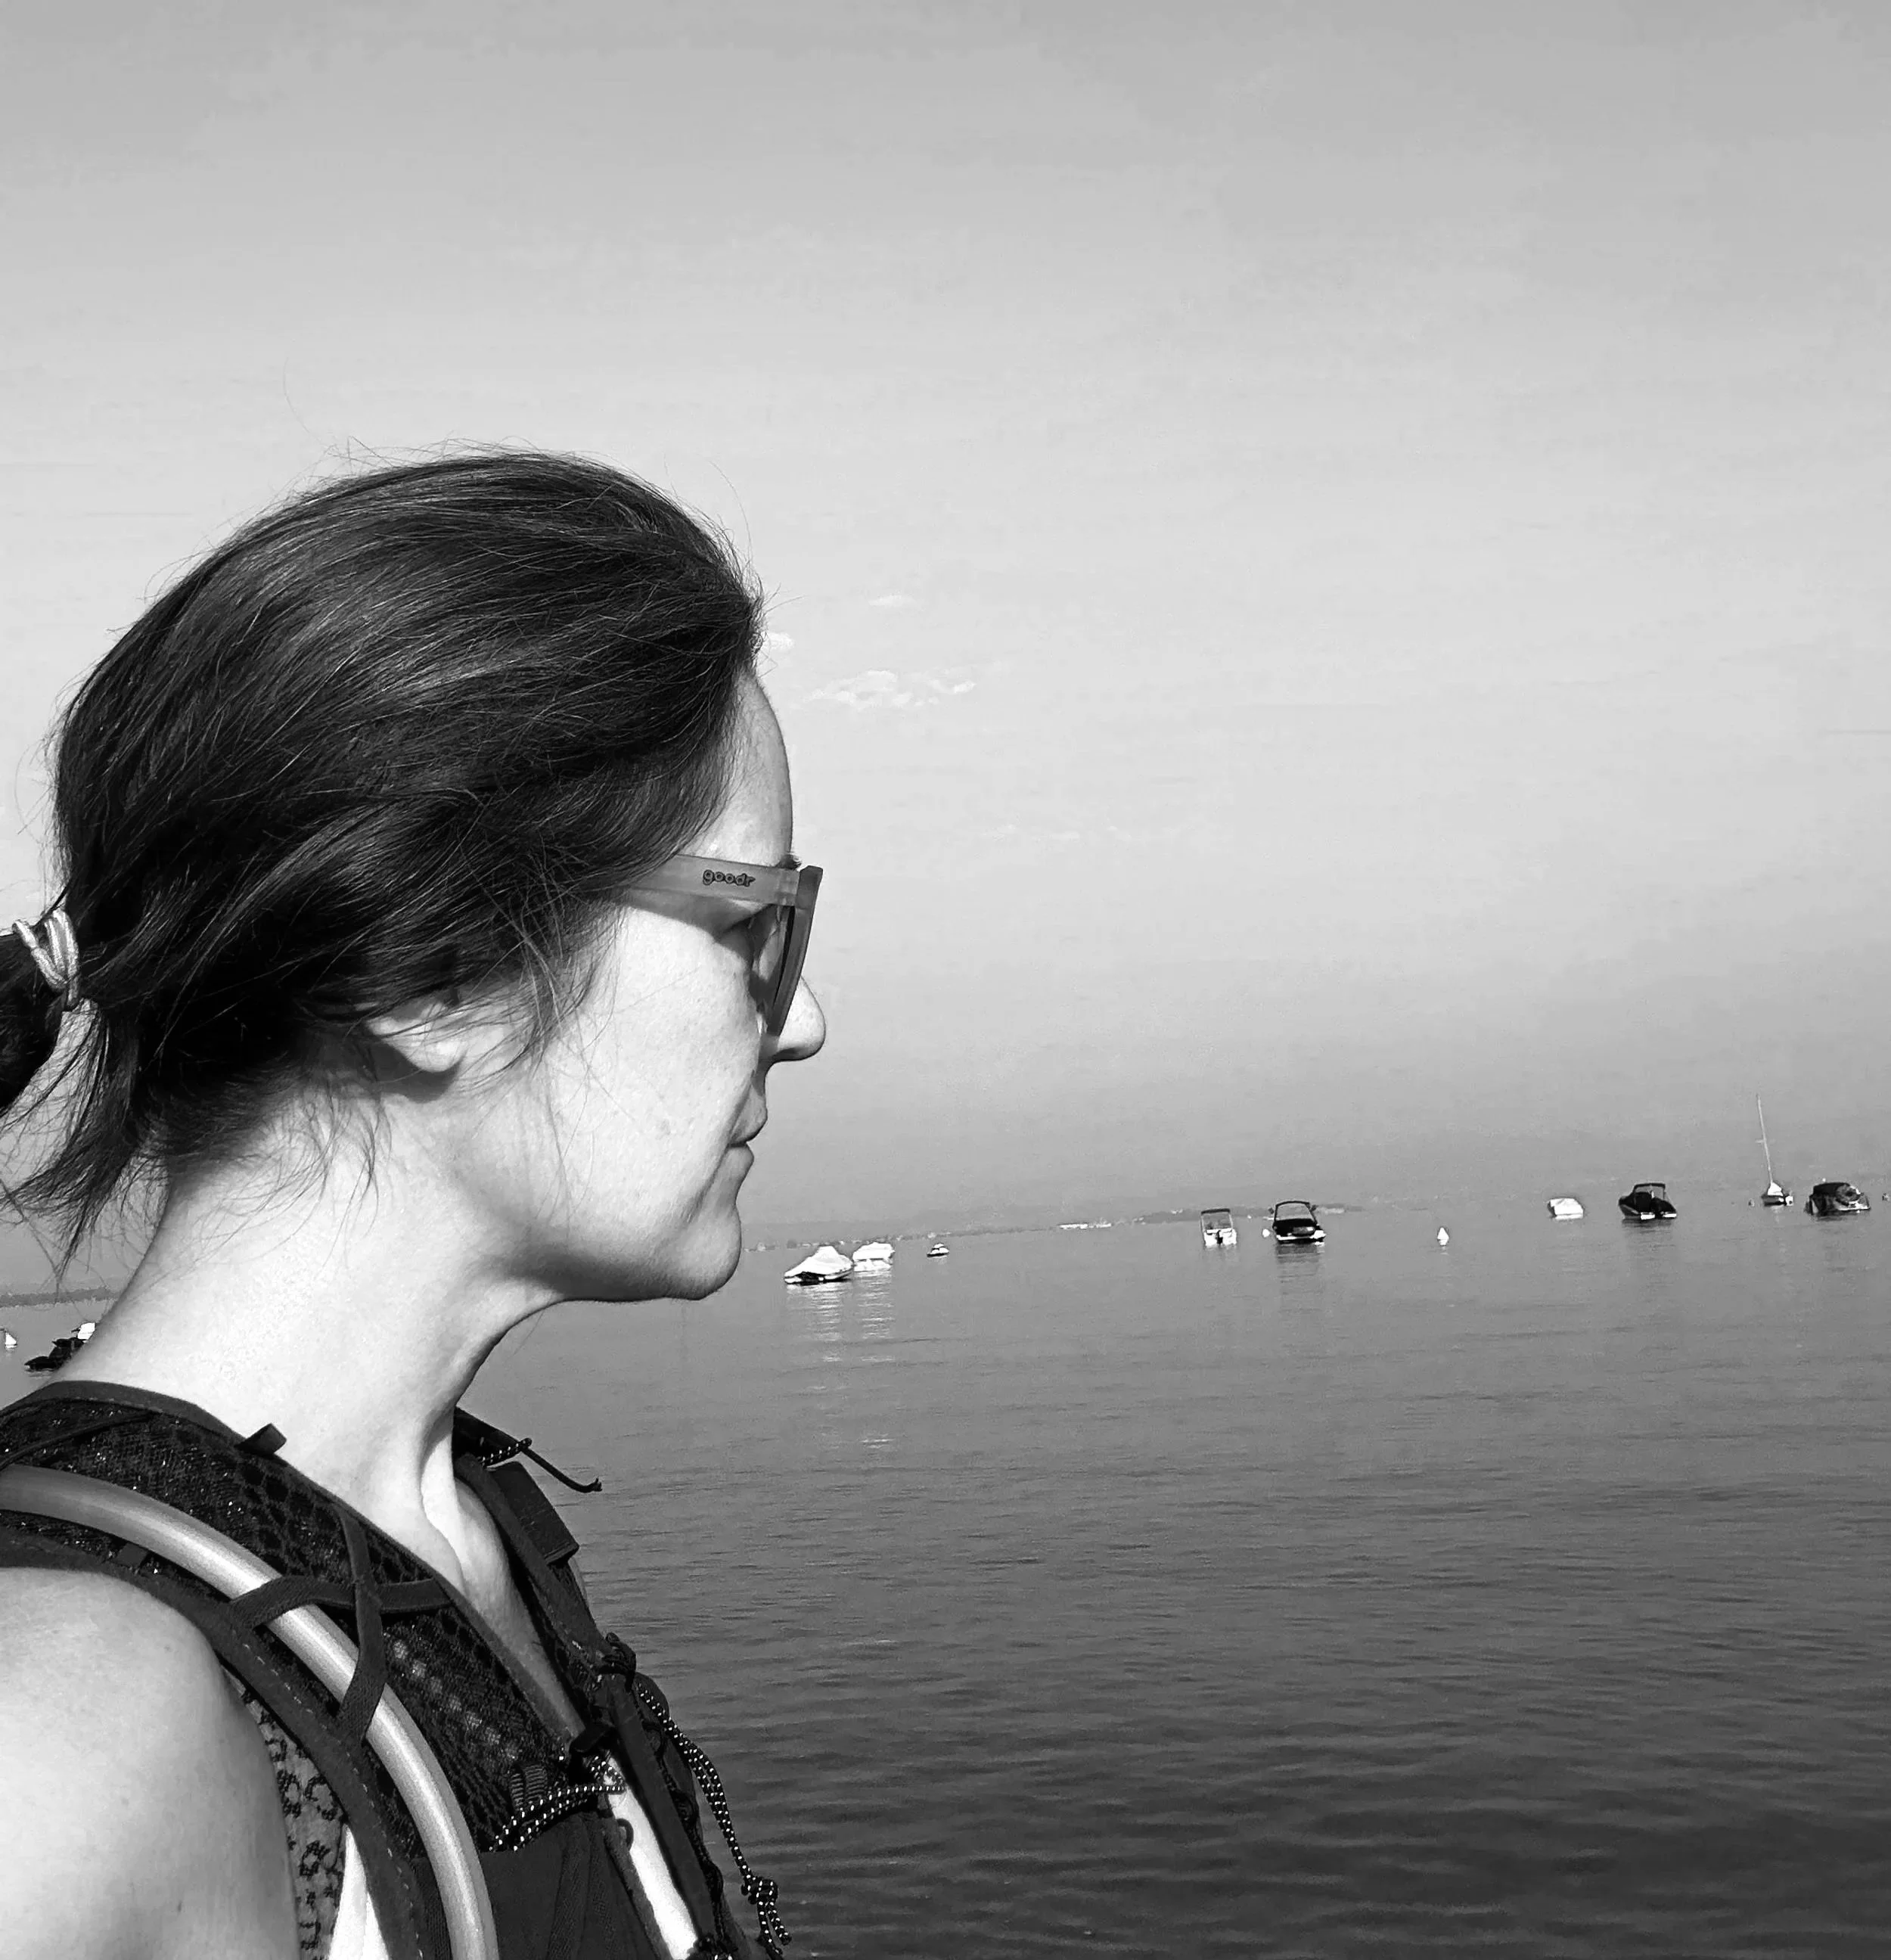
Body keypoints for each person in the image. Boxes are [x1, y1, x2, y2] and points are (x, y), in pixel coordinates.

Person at [0, 452, 826, 1960]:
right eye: (752, 923)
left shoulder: (452, 1527)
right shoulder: (63, 1727)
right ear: (433, 971)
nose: (805, 1018)